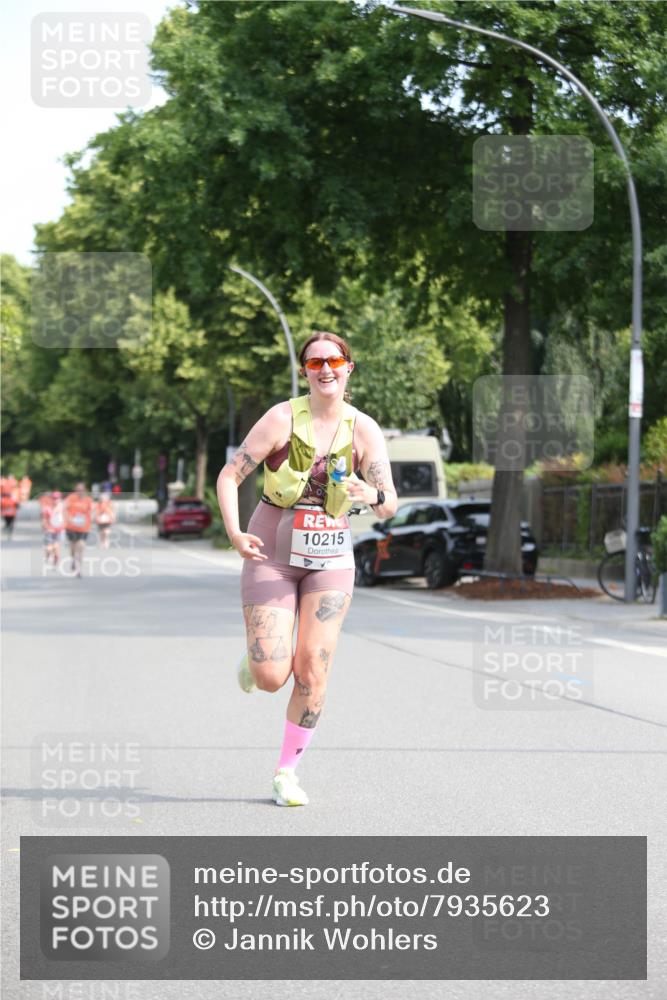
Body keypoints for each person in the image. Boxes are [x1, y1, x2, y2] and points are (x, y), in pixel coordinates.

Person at [217, 332, 397, 807]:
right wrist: (235, 534)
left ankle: (286, 773)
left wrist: (371, 495)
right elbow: (230, 475)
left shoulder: (364, 430)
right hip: (272, 553)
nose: (325, 369)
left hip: (331, 557)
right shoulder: (281, 418)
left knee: (314, 669)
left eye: (334, 360)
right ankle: (258, 661)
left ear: (349, 368)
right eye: (315, 362)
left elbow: (389, 504)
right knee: (273, 675)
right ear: (304, 371)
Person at [63, 482, 94, 577]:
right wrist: (69, 518)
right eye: (78, 490)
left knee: (81, 546)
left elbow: (92, 511)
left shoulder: (88, 500)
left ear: (85, 490)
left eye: (81, 490)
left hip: (84, 527)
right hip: (71, 527)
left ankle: (79, 568)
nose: (79, 492)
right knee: (73, 546)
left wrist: (92, 519)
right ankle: (73, 560)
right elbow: (64, 509)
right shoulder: (71, 498)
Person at [43, 491, 65, 566]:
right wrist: (45, 527)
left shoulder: (63, 507)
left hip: (59, 530)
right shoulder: (47, 508)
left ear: (60, 499)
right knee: (49, 548)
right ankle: (47, 556)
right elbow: (44, 519)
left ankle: (55, 561)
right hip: (50, 530)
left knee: (56, 548)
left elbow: (67, 517)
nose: (56, 500)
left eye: (57, 498)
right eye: (54, 498)